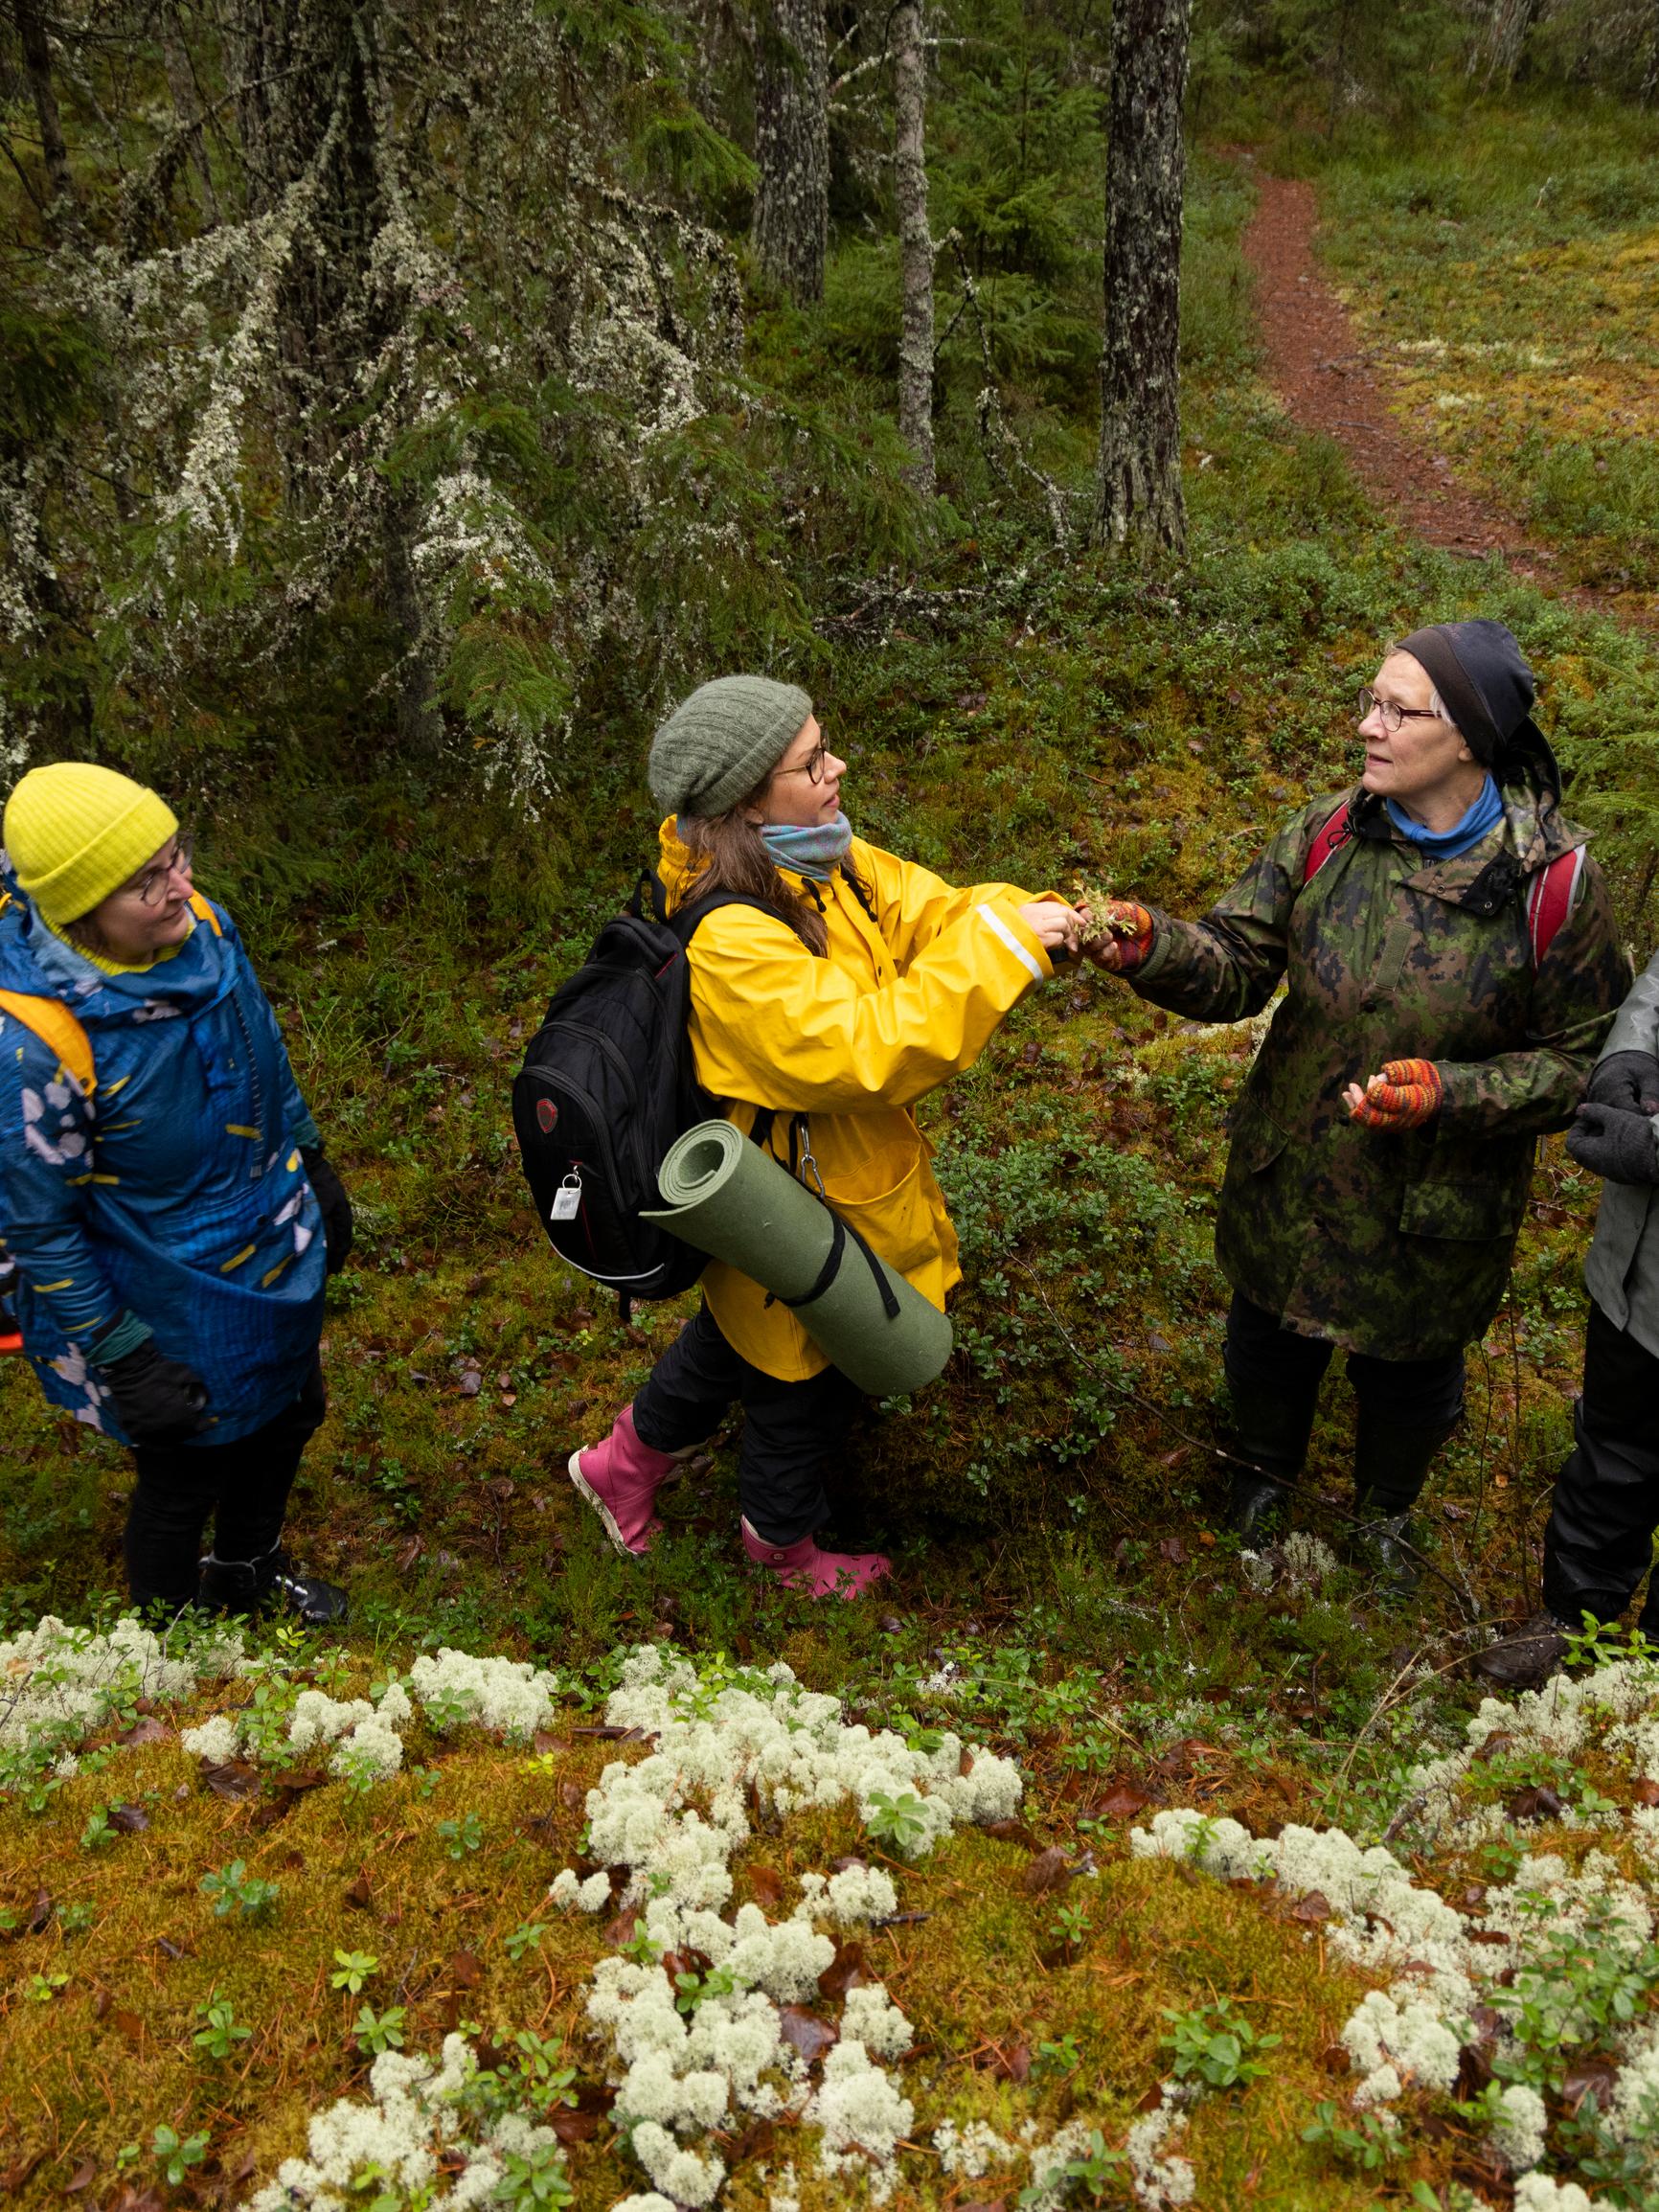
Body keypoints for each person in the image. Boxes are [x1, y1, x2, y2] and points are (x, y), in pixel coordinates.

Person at [1086, 621, 1627, 1588]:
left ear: (1468, 736)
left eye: (1397, 709)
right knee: (1266, 1334)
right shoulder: (1328, 831)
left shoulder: (1554, 884)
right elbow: (1239, 965)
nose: (1367, 726)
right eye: (1370, 701)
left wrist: (1449, 1093)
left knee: (1411, 1368)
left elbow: (1581, 1060)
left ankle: (1385, 1512)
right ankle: (1256, 1477)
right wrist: (1148, 943)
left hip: (1436, 1200)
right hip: (1292, 1163)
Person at [567, 674, 1083, 1598]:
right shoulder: (733, 937)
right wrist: (1002, 958)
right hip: (787, 1203)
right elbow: (862, 1049)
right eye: (812, 761)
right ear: (747, 804)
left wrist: (1017, 917)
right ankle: (783, 1546)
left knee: (739, 1335)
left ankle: (621, 1465)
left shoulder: (821, 857)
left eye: (824, 745)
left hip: (818, 1178)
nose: (837, 767)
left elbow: (929, 908)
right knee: (799, 1378)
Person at [0, 763, 352, 1624]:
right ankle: (170, 1642)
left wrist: (311, 1155)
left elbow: (258, 1038)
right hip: (160, 1284)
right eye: (148, 880)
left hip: (268, 1230)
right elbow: (41, 1229)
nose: (180, 886)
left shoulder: (202, 927)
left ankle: (247, 1569)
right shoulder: (36, 1044)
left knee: (291, 1407)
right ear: (82, 909)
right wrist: (123, 1353)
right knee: (186, 1465)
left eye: (177, 855)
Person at [1476, 962, 1659, 1685]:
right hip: (1640, 1271)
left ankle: (1647, 1687)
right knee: (1613, 1449)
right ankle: (1572, 1620)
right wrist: (1627, 1058)